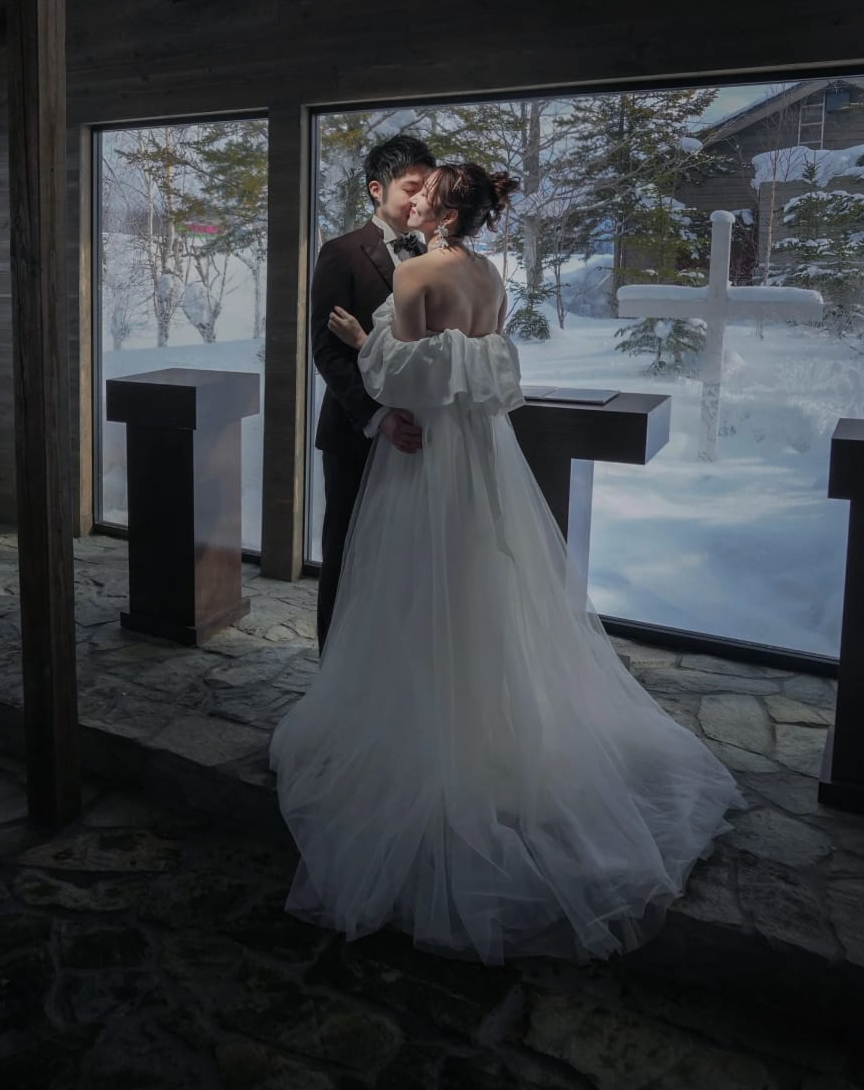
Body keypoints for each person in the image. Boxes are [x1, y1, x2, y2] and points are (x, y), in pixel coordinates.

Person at [270, 161, 745, 965]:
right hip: (484, 452)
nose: (416, 203)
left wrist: (362, 339)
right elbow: (484, 369)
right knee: (488, 587)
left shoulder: (415, 274)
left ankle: (426, 744)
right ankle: (494, 735)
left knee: (415, 592)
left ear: (444, 213)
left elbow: (397, 374)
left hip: (425, 460)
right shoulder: (491, 276)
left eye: (427, 196)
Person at [306, 133, 437, 653]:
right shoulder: (341, 253)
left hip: (420, 437)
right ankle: (333, 669)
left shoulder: (433, 254)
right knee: (346, 552)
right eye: (411, 187)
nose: (420, 198)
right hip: (355, 433)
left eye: (427, 187)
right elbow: (326, 352)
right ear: (376, 190)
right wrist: (379, 417)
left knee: (403, 559)